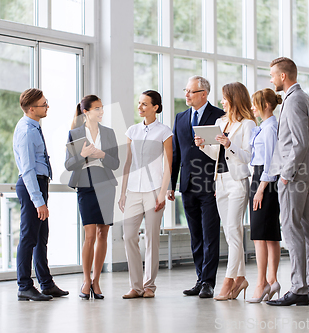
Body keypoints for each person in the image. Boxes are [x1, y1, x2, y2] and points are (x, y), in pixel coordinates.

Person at [266, 57, 309, 306]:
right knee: (305, 229)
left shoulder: (294, 99)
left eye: (272, 75)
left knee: (292, 230)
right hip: (305, 173)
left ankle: (299, 288)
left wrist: (286, 174)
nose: (271, 80)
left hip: (295, 175)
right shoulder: (301, 97)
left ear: (283, 77)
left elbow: (300, 142)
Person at [195, 82, 256, 301]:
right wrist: (204, 145)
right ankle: (240, 278)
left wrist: (229, 143)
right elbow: (216, 155)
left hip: (237, 181)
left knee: (233, 229)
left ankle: (229, 280)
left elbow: (249, 157)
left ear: (234, 98)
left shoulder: (248, 125)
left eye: (224, 98)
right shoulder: (220, 121)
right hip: (219, 180)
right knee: (230, 234)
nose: (222, 101)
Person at [168, 76, 225, 299]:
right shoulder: (180, 118)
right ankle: (200, 278)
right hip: (188, 184)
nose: (187, 95)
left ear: (204, 93)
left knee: (210, 234)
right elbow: (175, 153)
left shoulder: (219, 116)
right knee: (196, 236)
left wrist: (219, 180)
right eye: (186, 91)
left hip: (210, 184)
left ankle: (209, 282)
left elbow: (222, 153)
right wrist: (172, 184)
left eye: (191, 91)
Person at [13, 88, 68, 301]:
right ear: (32, 108)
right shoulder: (26, 130)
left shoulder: (34, 126)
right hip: (31, 186)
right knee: (28, 238)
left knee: (41, 237)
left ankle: (46, 283)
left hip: (39, 184)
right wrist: (38, 201)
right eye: (44, 104)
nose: (47, 107)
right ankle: (24, 286)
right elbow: (27, 169)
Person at [64, 95, 119, 300]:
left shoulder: (109, 133)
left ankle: (97, 280)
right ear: (86, 112)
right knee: (89, 235)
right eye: (97, 108)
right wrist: (85, 155)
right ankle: (86, 280)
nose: (101, 112)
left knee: (103, 234)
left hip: (105, 184)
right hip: (85, 185)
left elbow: (115, 163)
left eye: (102, 108)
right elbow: (69, 165)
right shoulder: (75, 133)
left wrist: (101, 154)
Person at [119, 90, 173, 299]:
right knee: (129, 236)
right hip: (133, 190)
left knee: (152, 238)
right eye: (139, 103)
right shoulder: (132, 131)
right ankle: (136, 286)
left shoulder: (164, 131)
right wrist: (123, 192)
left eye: (144, 104)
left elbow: (168, 163)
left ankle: (149, 285)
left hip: (153, 191)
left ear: (155, 108)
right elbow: (128, 163)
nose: (140, 107)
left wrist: (162, 192)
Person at [246, 88, 282, 303]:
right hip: (259, 178)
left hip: (265, 180)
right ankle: (271, 280)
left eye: (255, 104)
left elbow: (271, 162)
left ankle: (262, 283)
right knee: (267, 234)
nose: (252, 108)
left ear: (266, 106)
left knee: (261, 234)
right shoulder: (263, 127)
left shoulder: (269, 130)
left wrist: (260, 188)